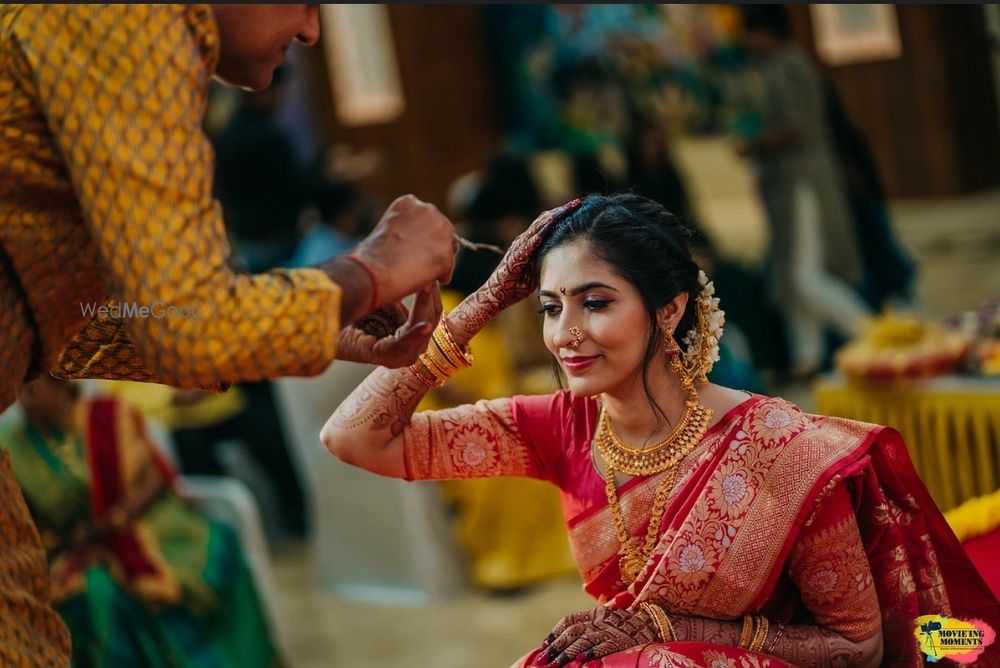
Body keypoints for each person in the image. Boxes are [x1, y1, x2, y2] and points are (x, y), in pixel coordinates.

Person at [322, 194, 1000, 667]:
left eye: (597, 303)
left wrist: (674, 631)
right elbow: (356, 438)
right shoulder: (559, 426)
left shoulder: (779, 447)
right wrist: (481, 303)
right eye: (551, 308)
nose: (566, 334)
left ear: (670, 308)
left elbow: (858, 649)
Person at [0, 5, 456, 662]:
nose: (311, 32)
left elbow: (74, 330)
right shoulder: (125, 17)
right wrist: (366, 269)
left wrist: (323, 322)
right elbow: (187, 330)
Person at [1, 377, 280, 667]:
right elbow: (20, 523)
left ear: (63, 387)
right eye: (20, 393)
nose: (25, 403)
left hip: (143, 522)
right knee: (99, 594)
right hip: (70, 548)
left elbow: (155, 474)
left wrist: (116, 519)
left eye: (33, 391)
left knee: (218, 544)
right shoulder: (13, 443)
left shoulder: (109, 414)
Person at [738, 6, 873, 377]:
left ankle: (873, 335)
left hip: (803, 180)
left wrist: (758, 144)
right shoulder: (783, 65)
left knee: (803, 274)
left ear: (766, 33)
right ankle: (807, 359)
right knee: (791, 277)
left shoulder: (788, 65)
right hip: (791, 179)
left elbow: (798, 127)